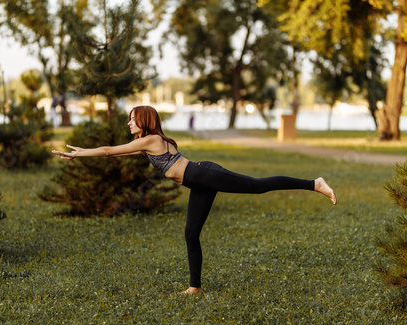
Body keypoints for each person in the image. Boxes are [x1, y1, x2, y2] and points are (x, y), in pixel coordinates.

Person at [52, 105, 336, 295]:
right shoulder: (147, 144)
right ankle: (195, 288)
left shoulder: (149, 140)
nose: (128, 123)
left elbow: (107, 151)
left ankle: (314, 183)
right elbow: (116, 152)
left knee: (256, 186)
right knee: (190, 233)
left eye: (131, 118)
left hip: (204, 174)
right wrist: (81, 154)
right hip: (199, 179)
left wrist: (79, 153)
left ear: (144, 122)